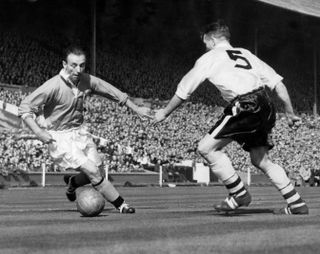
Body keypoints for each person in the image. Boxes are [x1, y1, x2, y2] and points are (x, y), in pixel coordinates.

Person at [152, 20, 308, 215]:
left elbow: (184, 91)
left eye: (206, 42)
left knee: (206, 148)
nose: (206, 46)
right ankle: (296, 203)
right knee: (261, 159)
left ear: (213, 39)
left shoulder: (208, 58)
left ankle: (239, 194)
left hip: (245, 104)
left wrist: (164, 112)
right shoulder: (246, 54)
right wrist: (290, 113)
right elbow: (279, 85)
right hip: (266, 106)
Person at [19, 46, 152, 213]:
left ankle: (73, 183)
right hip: (60, 137)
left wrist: (137, 109)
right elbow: (24, 107)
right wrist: (39, 132)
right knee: (93, 171)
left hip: (80, 132)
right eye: (73, 65)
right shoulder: (53, 85)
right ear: (64, 64)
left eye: (82, 65)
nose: (78, 69)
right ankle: (122, 205)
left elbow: (114, 92)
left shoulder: (87, 80)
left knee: (98, 170)